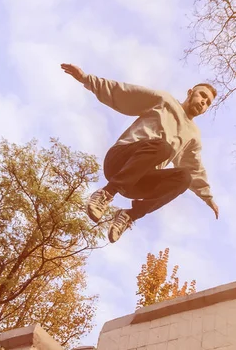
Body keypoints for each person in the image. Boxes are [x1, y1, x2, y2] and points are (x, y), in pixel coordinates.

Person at [61, 63, 219, 243]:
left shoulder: (194, 136)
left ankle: (129, 215)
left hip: (136, 182)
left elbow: (195, 168)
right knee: (164, 148)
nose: (203, 102)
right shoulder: (164, 100)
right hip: (120, 160)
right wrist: (85, 79)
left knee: (184, 177)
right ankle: (105, 194)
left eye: (207, 103)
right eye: (202, 96)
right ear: (190, 92)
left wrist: (208, 198)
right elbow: (125, 93)